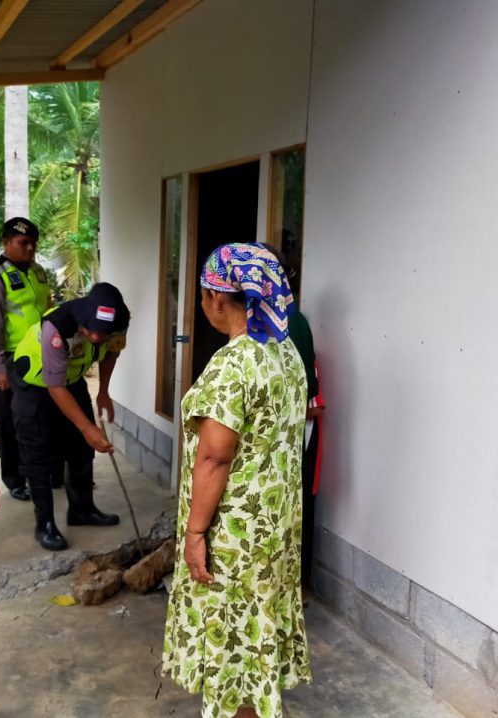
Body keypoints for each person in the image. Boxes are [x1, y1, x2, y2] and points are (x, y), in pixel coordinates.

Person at [163, 243, 311, 718]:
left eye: (205, 295)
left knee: (231, 644)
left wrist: (194, 532)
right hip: (276, 529)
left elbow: (213, 457)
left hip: (235, 538)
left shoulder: (234, 364)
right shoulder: (286, 353)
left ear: (218, 299)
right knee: (256, 636)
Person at [10, 282, 129, 551]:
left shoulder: (119, 323)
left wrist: (104, 393)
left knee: (81, 450)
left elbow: (112, 352)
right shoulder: (57, 327)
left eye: (103, 332)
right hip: (35, 383)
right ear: (83, 315)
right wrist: (88, 428)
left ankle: (82, 510)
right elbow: (55, 387)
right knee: (38, 454)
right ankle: (45, 525)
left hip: (71, 379)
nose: (96, 338)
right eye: (91, 331)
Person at [0, 218, 51, 501]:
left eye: (33, 243)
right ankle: (15, 478)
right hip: (7, 360)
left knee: (38, 417)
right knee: (9, 421)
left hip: (39, 356)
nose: (30, 248)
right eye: (23, 243)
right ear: (6, 242)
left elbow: (47, 309)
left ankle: (42, 472)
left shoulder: (38, 272)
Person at [287, 308, 325, 590]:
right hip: (290, 437)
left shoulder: (292, 322)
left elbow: (312, 405)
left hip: (298, 438)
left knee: (296, 506)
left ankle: (297, 587)